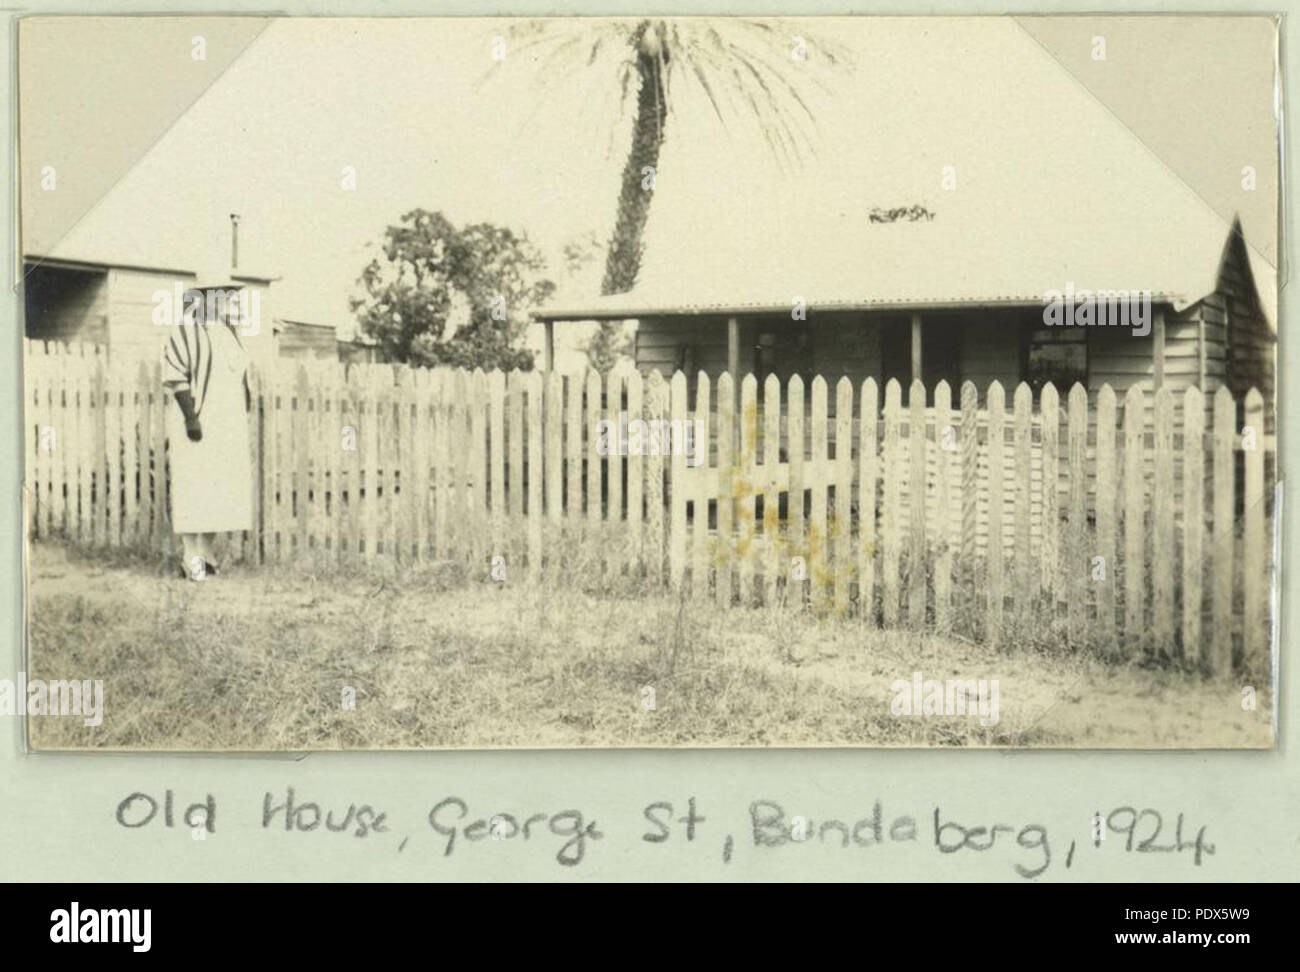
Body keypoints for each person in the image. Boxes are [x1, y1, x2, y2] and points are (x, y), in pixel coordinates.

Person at [161, 277, 253, 580]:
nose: (227, 300)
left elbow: (240, 375)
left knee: (221, 486)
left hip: (228, 423)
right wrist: (190, 418)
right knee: (195, 484)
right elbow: (176, 376)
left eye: (229, 295)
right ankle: (191, 557)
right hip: (198, 422)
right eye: (221, 295)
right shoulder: (184, 329)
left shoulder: (229, 331)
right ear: (202, 298)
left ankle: (207, 553)